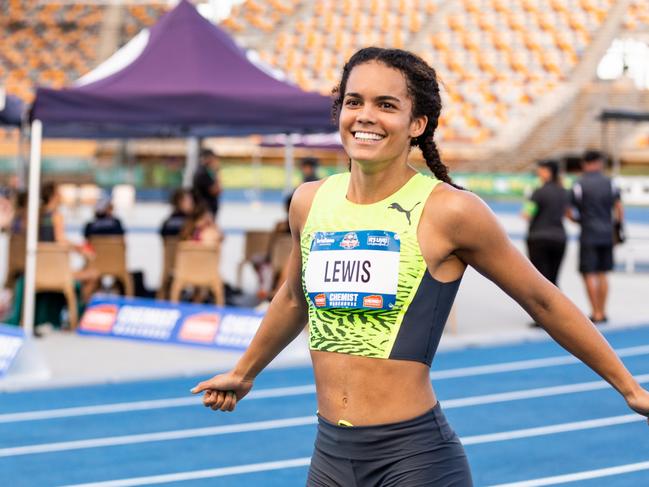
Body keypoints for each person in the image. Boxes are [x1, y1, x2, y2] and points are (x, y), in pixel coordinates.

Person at [191, 48, 649, 486]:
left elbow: (542, 299)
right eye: (354, 102)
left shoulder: (451, 212)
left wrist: (631, 388)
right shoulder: (310, 201)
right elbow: (293, 298)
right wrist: (245, 371)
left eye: (386, 104)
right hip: (330, 457)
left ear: (417, 123)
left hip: (414, 460)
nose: (366, 115)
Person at [567, 150, 624, 324]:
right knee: (603, 273)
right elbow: (619, 208)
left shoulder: (579, 184)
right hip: (607, 232)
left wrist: (578, 221)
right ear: (599, 163)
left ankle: (595, 312)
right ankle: (603, 310)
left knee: (589, 272)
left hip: (588, 232)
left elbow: (569, 210)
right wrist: (617, 228)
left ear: (585, 163)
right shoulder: (610, 183)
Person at [40, 182, 99, 302]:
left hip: (39, 268)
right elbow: (60, 240)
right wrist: (81, 249)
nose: (61, 196)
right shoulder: (56, 216)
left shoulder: (38, 215)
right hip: (56, 271)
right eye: (59, 193)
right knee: (94, 275)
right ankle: (78, 311)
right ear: (53, 196)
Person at [522, 159, 569, 287]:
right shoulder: (564, 192)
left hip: (539, 237)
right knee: (553, 280)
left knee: (540, 282)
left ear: (548, 172)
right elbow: (569, 213)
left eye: (541, 170)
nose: (538, 173)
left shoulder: (538, 192)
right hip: (559, 237)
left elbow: (527, 214)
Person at [192, 148, 221, 218]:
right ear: (209, 158)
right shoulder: (202, 173)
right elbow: (216, 190)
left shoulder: (204, 171)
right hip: (205, 210)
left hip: (206, 209)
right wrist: (217, 172)